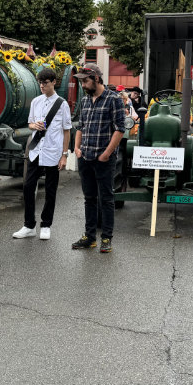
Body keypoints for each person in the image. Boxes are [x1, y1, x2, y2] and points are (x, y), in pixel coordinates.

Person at [12, 68, 72, 240]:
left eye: (45, 83)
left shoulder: (62, 104)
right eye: (40, 83)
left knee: (50, 191)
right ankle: (29, 225)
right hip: (36, 150)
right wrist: (35, 125)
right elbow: (29, 124)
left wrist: (64, 155)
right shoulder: (36, 102)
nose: (42, 86)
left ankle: (46, 225)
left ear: (54, 82)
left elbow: (66, 131)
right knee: (28, 187)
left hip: (53, 152)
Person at [71, 63, 125, 253]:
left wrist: (107, 153)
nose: (83, 85)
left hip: (104, 159)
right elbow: (81, 127)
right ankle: (90, 237)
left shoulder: (114, 99)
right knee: (89, 198)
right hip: (85, 157)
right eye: (81, 82)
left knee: (106, 199)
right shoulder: (85, 100)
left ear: (96, 78)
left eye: (85, 81)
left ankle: (106, 238)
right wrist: (77, 149)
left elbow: (120, 129)